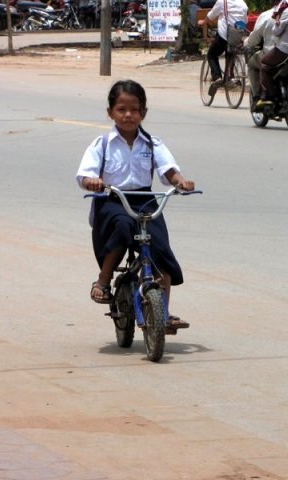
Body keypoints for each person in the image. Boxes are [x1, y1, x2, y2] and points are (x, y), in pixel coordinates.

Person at [76, 80, 195, 329]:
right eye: (121, 109)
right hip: (112, 200)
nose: (128, 115)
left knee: (160, 247)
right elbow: (84, 174)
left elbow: (168, 170)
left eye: (135, 109)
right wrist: (93, 181)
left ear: (144, 113)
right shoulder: (103, 143)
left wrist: (180, 181)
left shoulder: (152, 143)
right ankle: (103, 280)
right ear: (110, 112)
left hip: (144, 200)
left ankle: (163, 312)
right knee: (122, 226)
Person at [197, 0, 248, 90]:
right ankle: (230, 76)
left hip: (224, 35)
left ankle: (217, 77)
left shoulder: (222, 2)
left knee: (211, 54)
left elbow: (211, 16)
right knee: (231, 52)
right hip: (237, 35)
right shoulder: (243, 4)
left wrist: (203, 22)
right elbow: (245, 21)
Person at [243, 0, 280, 107]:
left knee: (251, 64)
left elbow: (254, 38)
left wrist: (246, 43)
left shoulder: (267, 16)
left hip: (276, 53)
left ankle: (256, 96)